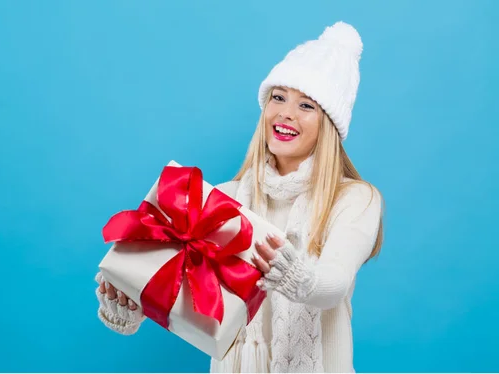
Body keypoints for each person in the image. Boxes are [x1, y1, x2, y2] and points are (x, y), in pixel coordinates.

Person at [95, 21, 384, 373]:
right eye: (278, 97)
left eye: (306, 105)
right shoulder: (224, 200)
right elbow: (186, 300)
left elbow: (334, 285)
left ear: (329, 125)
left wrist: (296, 276)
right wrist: (131, 299)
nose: (286, 113)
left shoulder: (355, 199)